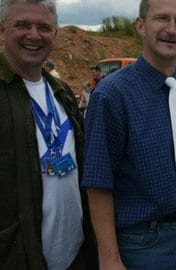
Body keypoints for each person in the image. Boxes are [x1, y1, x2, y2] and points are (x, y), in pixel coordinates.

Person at [81, 0, 176, 269]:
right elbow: (98, 183)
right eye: (162, 18)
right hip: (143, 247)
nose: (171, 29)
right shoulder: (111, 95)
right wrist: (109, 257)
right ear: (141, 25)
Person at [0, 0, 97, 269]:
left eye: (43, 27)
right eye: (22, 25)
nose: (34, 35)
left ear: (54, 34)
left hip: (74, 253)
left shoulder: (61, 91)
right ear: (2, 30)